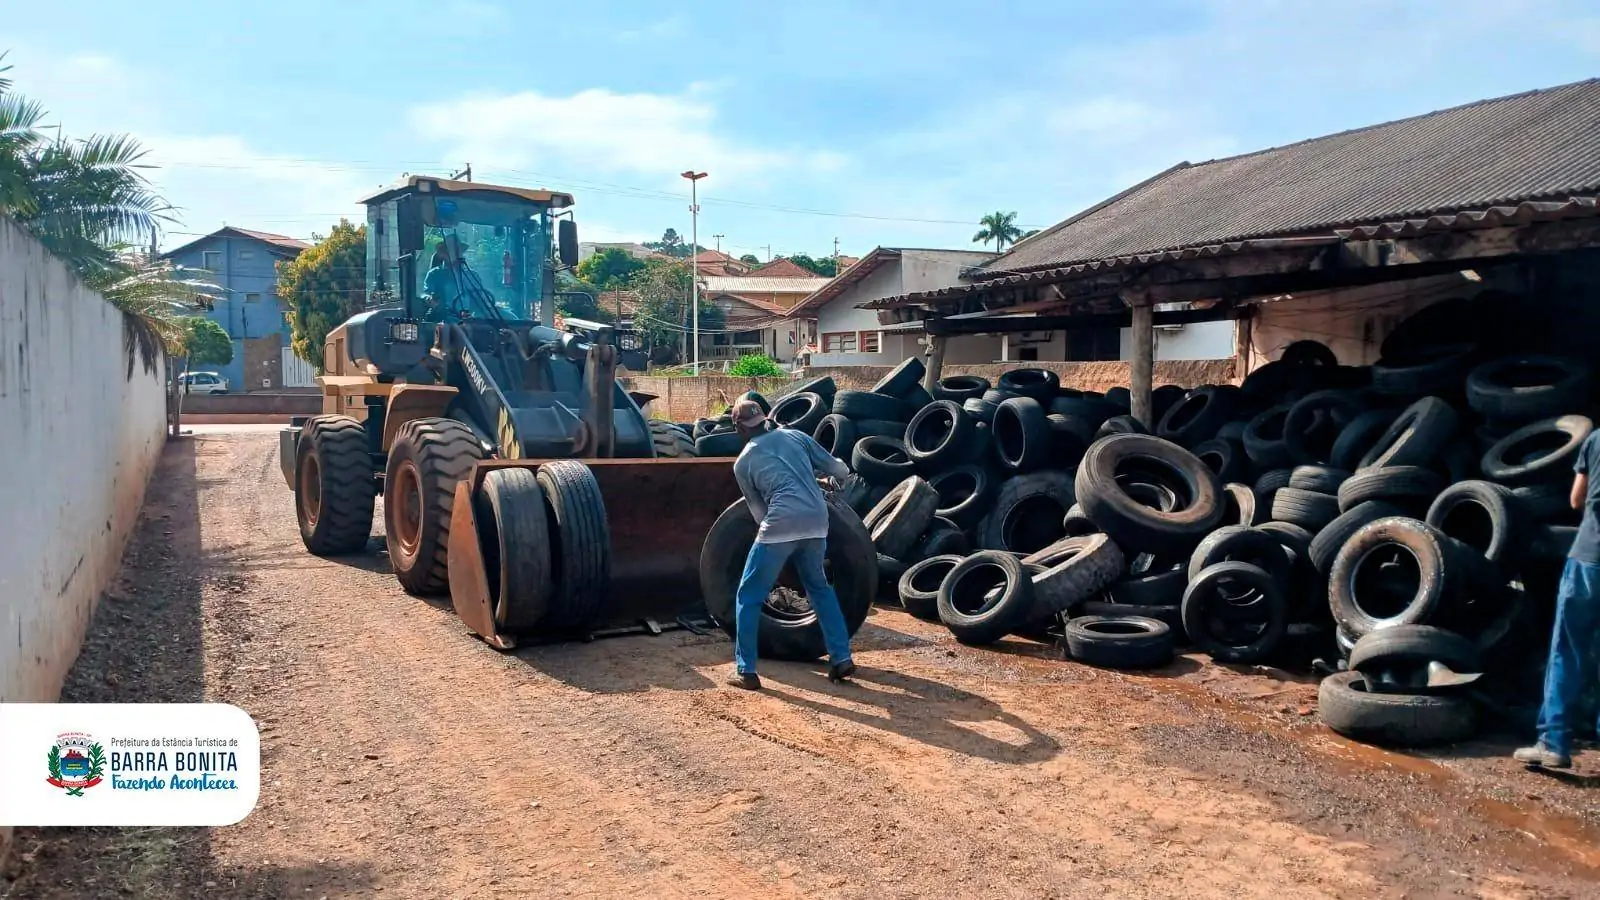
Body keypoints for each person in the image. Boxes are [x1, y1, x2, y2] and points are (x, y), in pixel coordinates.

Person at [726, 397, 856, 690]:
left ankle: (746, 671)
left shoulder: (743, 463)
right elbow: (838, 470)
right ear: (765, 418)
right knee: (820, 590)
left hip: (780, 527)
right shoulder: (795, 436)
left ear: (739, 428)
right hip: (817, 522)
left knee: (749, 595)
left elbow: (760, 514)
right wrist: (823, 480)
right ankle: (841, 658)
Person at [1515, 428, 1600, 768]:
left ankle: (1554, 743)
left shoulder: (1595, 440)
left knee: (1567, 650)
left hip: (1589, 560)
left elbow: (1576, 500)